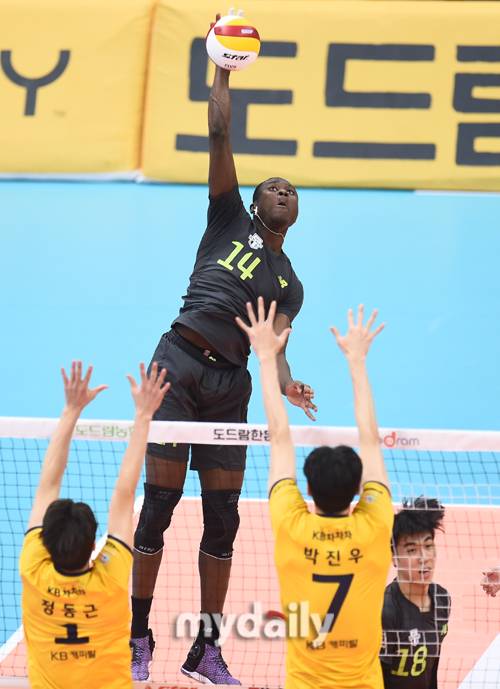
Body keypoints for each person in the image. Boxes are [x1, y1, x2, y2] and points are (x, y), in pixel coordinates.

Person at [129, 27, 316, 686]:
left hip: (230, 387)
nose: (281, 189)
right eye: (273, 186)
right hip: (177, 363)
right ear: (255, 201)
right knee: (157, 503)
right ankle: (138, 635)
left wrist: (287, 383)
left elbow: (276, 347)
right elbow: (217, 131)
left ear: (294, 213)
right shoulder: (227, 217)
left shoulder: (290, 283)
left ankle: (204, 650)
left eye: (290, 189)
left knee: (223, 521)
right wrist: (223, 67)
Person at [236, 298, 393, 689]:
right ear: (359, 490)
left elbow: (279, 437)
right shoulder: (374, 525)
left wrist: (265, 357)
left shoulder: (292, 524)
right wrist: (357, 362)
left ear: (306, 490)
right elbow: (371, 440)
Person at [19, 360, 168, 689]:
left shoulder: (33, 568)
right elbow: (125, 494)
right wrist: (144, 415)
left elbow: (47, 486)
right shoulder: (109, 577)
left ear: (45, 544)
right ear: (93, 546)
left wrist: (71, 410)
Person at [380, 497, 451, 689]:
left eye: (428, 546)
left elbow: (431, 667)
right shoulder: (386, 612)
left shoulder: (442, 599)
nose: (423, 558)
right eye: (411, 550)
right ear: (394, 558)